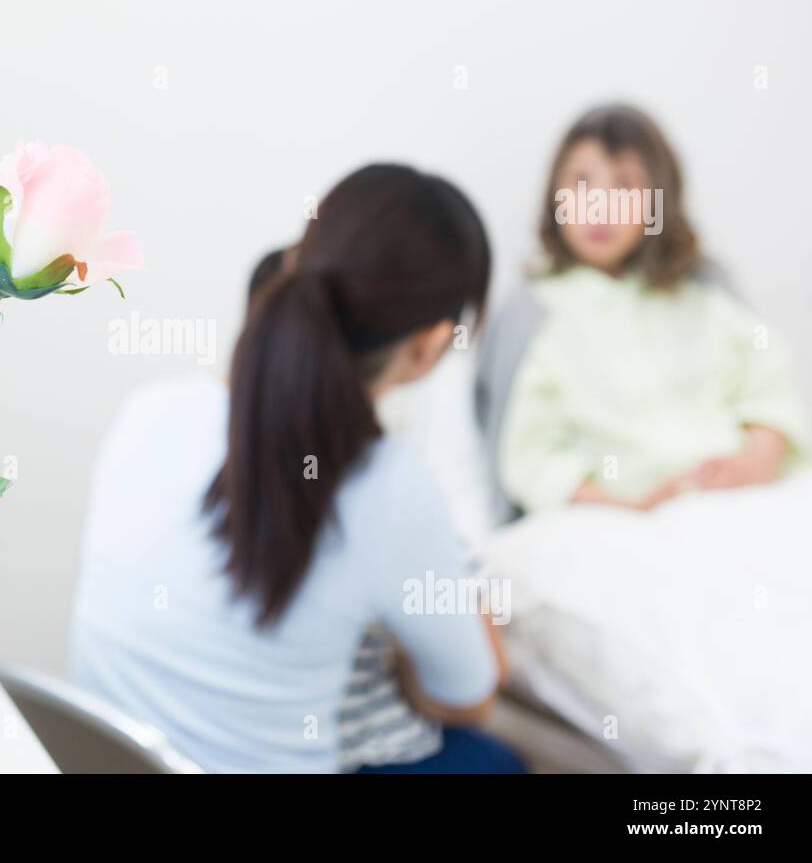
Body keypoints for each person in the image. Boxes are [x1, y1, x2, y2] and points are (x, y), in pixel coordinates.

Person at [70, 164, 521, 773]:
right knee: (493, 761)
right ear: (432, 344)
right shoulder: (387, 486)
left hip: (89, 755)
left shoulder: (150, 411)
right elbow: (468, 696)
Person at [494, 105, 808, 514]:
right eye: (582, 181)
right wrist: (632, 508)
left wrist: (754, 464)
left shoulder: (705, 288)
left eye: (625, 184)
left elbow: (772, 387)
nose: (599, 205)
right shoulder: (532, 313)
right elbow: (532, 458)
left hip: (747, 501)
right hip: (619, 520)